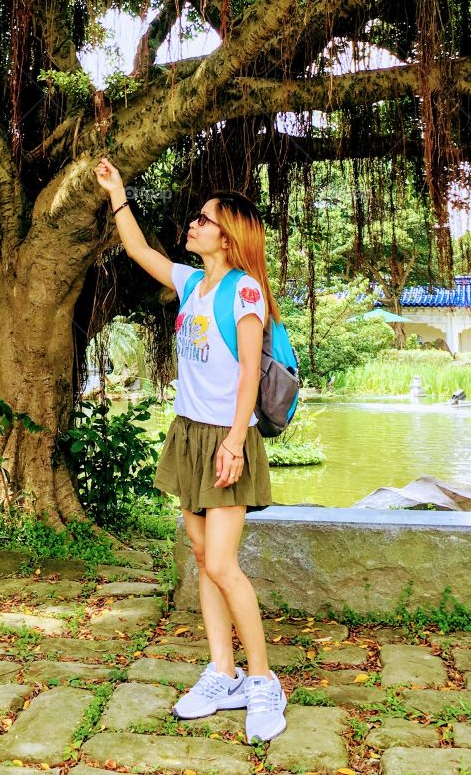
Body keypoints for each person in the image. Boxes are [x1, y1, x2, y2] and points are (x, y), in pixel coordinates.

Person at [94, 156, 288, 743]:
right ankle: (222, 673)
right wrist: (116, 192)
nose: (193, 226)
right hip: (190, 432)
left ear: (227, 236)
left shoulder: (244, 289)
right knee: (204, 562)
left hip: (228, 436)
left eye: (203, 221)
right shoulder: (191, 282)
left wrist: (234, 441)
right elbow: (138, 251)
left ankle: (262, 682)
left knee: (224, 565)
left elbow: (251, 373)